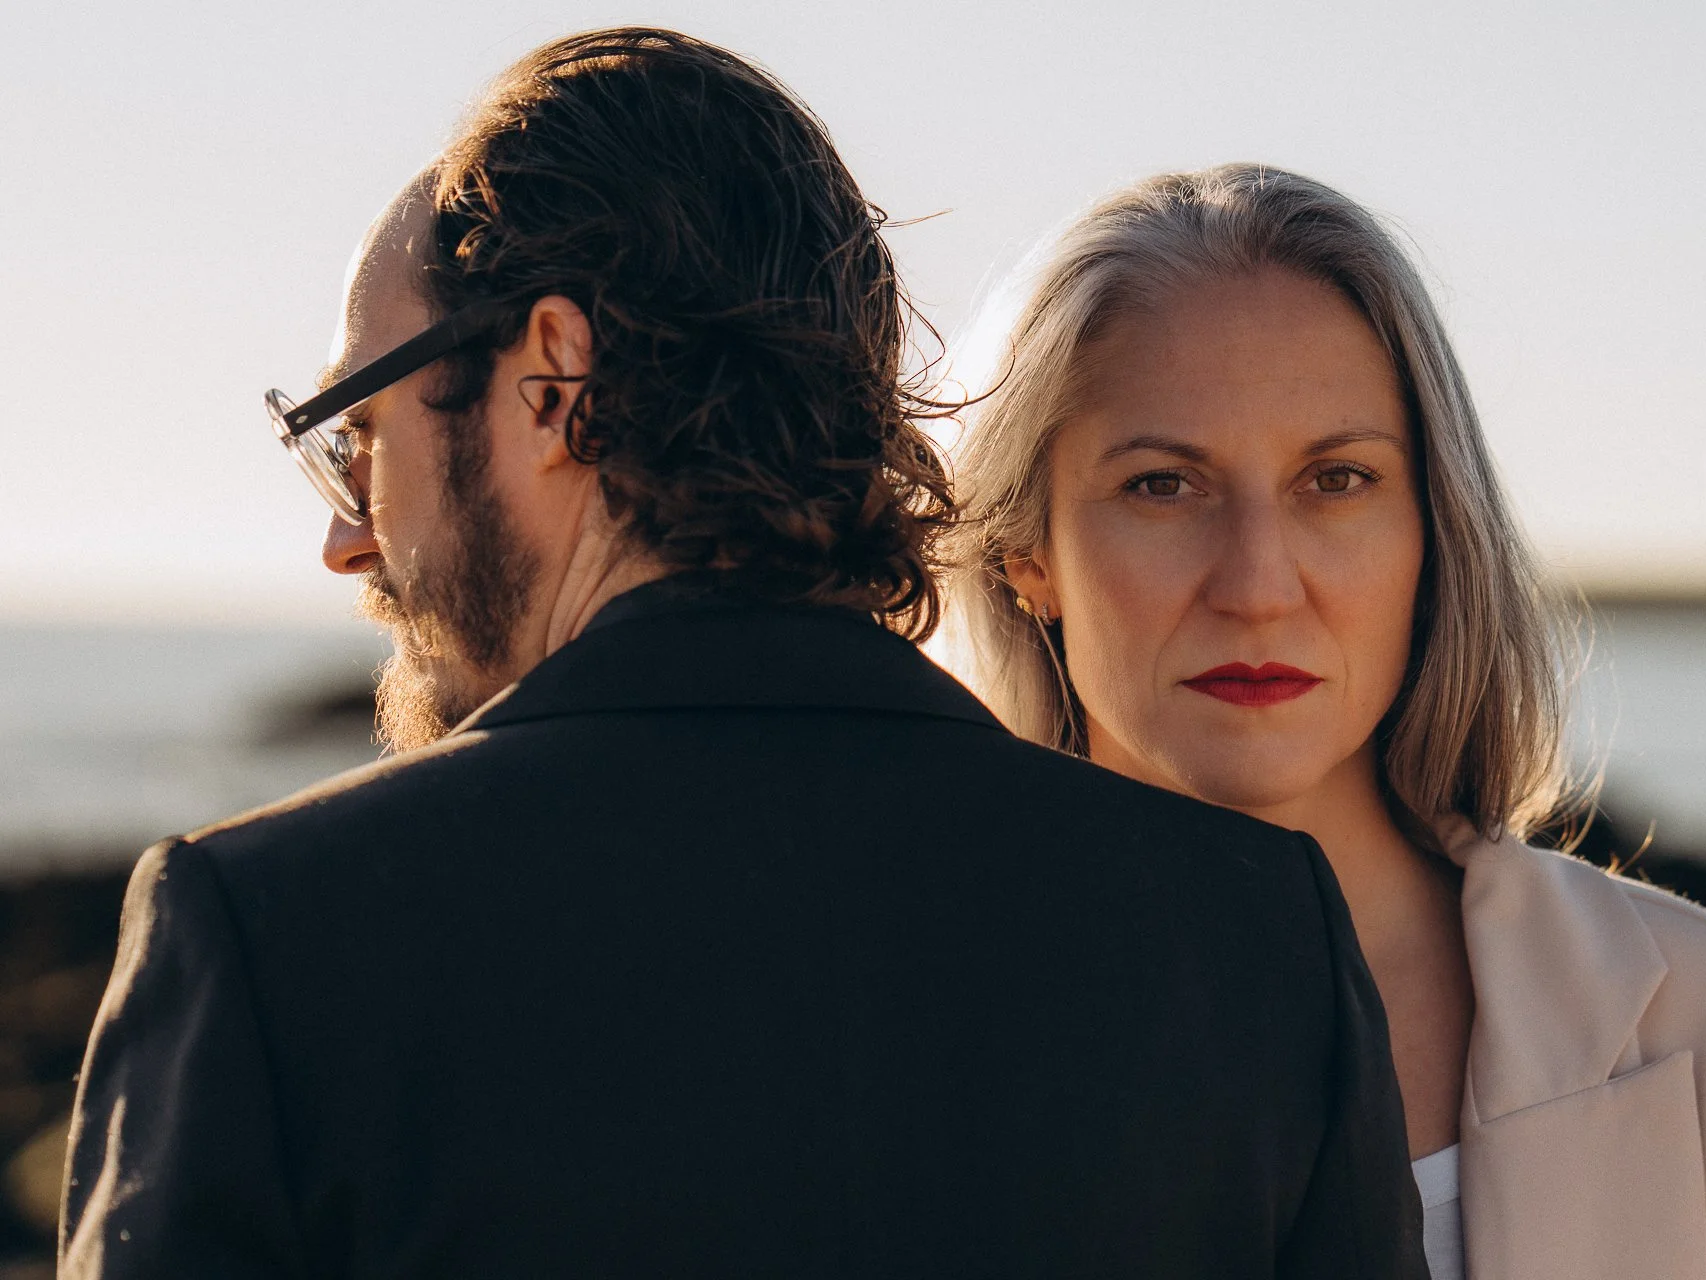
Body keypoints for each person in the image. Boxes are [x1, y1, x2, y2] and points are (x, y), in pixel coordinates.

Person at [59, 36, 1432, 1279]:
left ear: (553, 379)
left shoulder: (269, 937)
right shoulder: (1252, 944)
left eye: (359, 432)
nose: (351, 539)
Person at [951, 163, 1706, 1280]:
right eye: (1163, 484)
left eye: (1336, 479)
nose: (1258, 583)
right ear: (1028, 557)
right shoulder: (882, 1023)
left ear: (1431, 533)